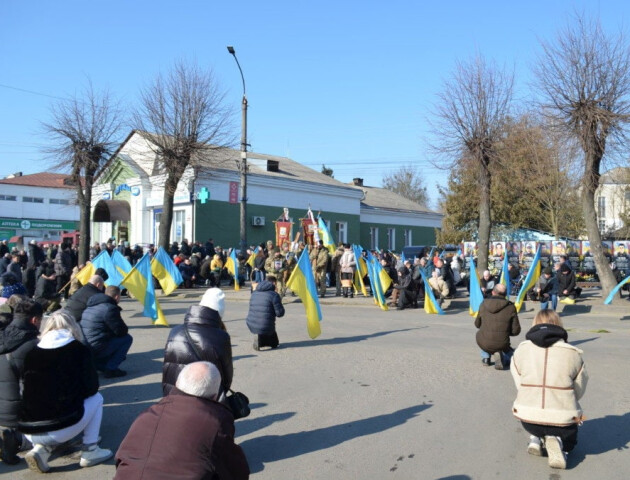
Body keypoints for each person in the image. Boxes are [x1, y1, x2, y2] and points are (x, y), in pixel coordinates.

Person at [114, 361, 250, 479]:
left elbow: (121, 458)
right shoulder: (215, 422)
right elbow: (236, 471)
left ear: (177, 384)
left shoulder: (147, 414)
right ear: (215, 395)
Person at [18, 311, 112, 472]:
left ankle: (41, 449)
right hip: (61, 426)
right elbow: (91, 388)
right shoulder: (78, 349)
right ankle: (90, 449)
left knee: (46, 407)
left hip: (29, 429)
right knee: (97, 398)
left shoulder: (31, 352)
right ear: (73, 327)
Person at [510, 309, 588, 469]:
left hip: (527, 417)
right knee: (580, 420)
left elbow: (520, 385)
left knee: (535, 408)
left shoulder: (521, 351)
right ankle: (561, 443)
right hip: (564, 420)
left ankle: (535, 438)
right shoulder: (573, 353)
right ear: (559, 324)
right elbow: (579, 390)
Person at [162, 288, 233, 397]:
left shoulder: (175, 331)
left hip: (174, 394)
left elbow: (167, 368)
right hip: (205, 396)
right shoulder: (221, 337)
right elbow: (227, 377)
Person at [0, 298, 42, 464]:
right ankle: (19, 439)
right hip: (15, 412)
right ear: (34, 320)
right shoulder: (33, 346)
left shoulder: (2, 335)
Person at [81, 285, 133, 378]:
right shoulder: (110, 308)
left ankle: (98, 365)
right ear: (117, 296)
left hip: (86, 345)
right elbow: (121, 331)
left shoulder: (91, 305)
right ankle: (111, 369)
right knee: (127, 339)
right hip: (96, 346)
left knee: (111, 339)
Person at [474, 284, 521, 370]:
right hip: (502, 343)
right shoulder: (511, 307)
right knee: (511, 354)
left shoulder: (483, 304)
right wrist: (506, 330)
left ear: (493, 292)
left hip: (484, 341)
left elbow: (477, 324)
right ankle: (505, 359)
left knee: (483, 335)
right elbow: (516, 331)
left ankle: (486, 358)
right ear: (505, 294)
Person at [246, 275, 285, 351]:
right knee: (274, 343)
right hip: (266, 324)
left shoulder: (254, 293)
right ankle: (261, 341)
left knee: (264, 325)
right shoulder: (274, 295)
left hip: (251, 322)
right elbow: (280, 314)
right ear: (273, 283)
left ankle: (259, 336)